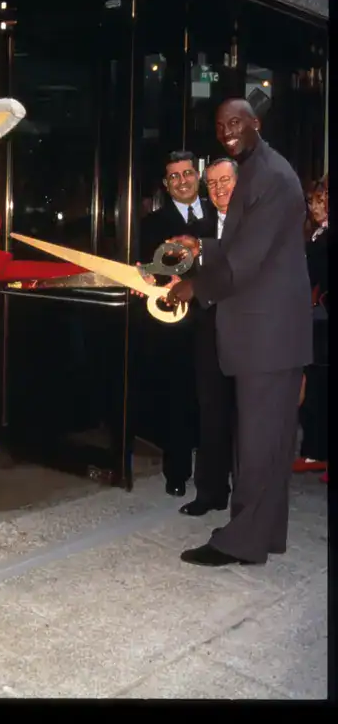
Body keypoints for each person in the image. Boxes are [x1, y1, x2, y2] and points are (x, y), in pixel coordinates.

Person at [166, 96, 312, 566]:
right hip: (268, 333)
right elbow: (238, 242)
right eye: (220, 124)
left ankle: (241, 542)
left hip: (267, 335)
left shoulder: (269, 175)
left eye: (236, 122)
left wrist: (192, 287)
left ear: (255, 123)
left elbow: (246, 260)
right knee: (267, 443)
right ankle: (263, 534)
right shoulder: (259, 169)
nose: (227, 130)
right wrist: (202, 244)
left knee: (256, 445)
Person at [133, 151, 217, 497]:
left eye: (187, 173)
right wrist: (145, 279)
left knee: (216, 404)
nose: (182, 181)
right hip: (175, 327)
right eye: (174, 177)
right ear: (167, 186)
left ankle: (214, 478)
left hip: (218, 320)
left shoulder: (220, 213)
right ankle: (177, 475)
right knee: (178, 402)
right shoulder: (152, 224)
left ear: (196, 176)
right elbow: (146, 271)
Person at [180, 157, 238, 517]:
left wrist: (196, 287)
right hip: (207, 334)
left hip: (247, 334)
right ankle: (211, 492)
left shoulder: (253, 226)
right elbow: (179, 277)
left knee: (247, 420)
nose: (218, 189)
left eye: (225, 181)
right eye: (212, 183)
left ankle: (247, 501)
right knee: (211, 414)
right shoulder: (198, 228)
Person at [293, 175, 328, 475]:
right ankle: (314, 450)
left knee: (317, 386)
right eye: (312, 201)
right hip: (313, 319)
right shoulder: (314, 234)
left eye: (321, 201)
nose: (316, 207)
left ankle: (316, 451)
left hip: (322, 320)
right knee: (314, 385)